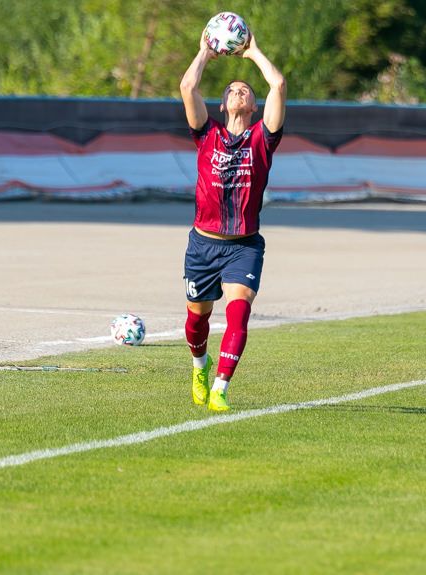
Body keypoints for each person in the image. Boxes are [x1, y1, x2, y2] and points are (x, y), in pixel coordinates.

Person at [179, 25, 286, 411]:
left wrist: (254, 52)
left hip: (243, 246)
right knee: (196, 323)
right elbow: (187, 88)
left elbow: (278, 85)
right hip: (202, 245)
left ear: (253, 106)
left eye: (245, 90)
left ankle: (221, 387)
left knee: (238, 312)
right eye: (231, 90)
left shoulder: (263, 138)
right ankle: (200, 366)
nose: (238, 91)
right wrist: (206, 51)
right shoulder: (206, 135)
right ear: (222, 104)